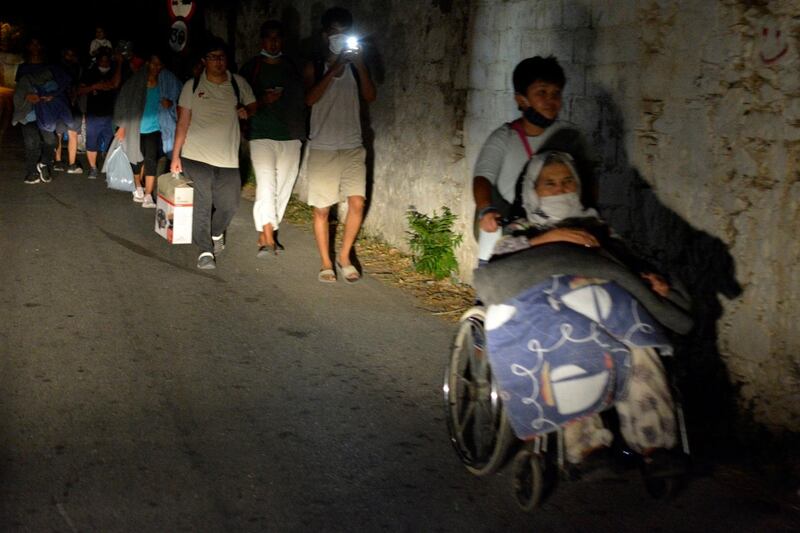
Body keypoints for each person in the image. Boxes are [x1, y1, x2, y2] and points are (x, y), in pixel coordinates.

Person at [490, 151, 678, 475]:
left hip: (606, 303)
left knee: (640, 343)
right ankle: (586, 444)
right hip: (548, 307)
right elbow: (499, 262)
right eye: (550, 183)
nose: (560, 189)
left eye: (567, 181)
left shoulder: (595, 225)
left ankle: (654, 443)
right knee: (572, 343)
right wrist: (547, 238)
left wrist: (649, 278)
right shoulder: (523, 227)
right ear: (533, 189)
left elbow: (626, 260)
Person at [473, 56, 592, 264]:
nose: (551, 100)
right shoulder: (504, 138)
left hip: (559, 230)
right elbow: (483, 178)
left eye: (556, 93)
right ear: (521, 100)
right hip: (511, 234)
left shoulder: (570, 138)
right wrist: (486, 209)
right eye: (542, 93)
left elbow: (588, 179)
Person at [303, 6, 376, 283]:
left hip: (352, 145)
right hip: (323, 146)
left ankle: (344, 256)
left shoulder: (357, 68)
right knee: (322, 209)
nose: (339, 39)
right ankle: (325, 262)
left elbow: (370, 96)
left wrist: (358, 64)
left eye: (344, 34)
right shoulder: (316, 66)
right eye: (334, 34)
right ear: (325, 36)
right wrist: (334, 67)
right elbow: (310, 99)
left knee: (357, 202)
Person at [170, 37, 257, 269]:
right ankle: (205, 250)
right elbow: (182, 123)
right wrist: (176, 155)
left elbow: (253, 105)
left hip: (228, 158)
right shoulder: (193, 85)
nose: (218, 62)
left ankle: (216, 232)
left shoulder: (238, 83)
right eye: (213, 57)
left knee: (229, 204)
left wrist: (245, 111)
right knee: (203, 201)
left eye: (222, 57)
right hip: (195, 155)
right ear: (204, 61)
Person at [240, 20, 306, 257]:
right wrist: (262, 100)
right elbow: (240, 100)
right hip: (261, 134)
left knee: (284, 187)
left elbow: (305, 95)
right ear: (262, 41)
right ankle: (267, 235)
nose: (274, 42)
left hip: (291, 135)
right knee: (266, 184)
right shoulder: (251, 68)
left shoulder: (293, 66)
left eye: (278, 38)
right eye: (269, 38)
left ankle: (266, 231)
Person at [113, 49, 182, 207]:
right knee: (136, 159)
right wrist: (122, 126)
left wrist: (171, 104)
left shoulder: (166, 81)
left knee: (151, 159)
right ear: (148, 63)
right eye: (153, 63)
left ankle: (148, 195)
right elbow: (124, 101)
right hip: (135, 127)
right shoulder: (137, 81)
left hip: (154, 128)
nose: (156, 67)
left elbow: (180, 99)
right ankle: (138, 186)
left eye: (159, 64)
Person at [13, 36, 75, 184]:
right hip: (28, 112)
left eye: (37, 44)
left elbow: (60, 86)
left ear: (41, 47)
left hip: (46, 111)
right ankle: (32, 172)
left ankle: (44, 164)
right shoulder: (23, 67)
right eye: (32, 44)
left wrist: (51, 96)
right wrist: (27, 95)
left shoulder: (50, 66)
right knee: (31, 142)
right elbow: (19, 89)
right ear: (28, 47)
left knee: (51, 141)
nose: (35, 47)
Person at [78, 47, 121, 178]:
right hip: (93, 114)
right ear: (97, 61)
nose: (104, 63)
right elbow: (79, 90)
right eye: (101, 61)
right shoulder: (90, 72)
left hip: (110, 114)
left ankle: (110, 167)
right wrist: (94, 87)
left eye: (106, 61)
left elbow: (115, 84)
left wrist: (119, 64)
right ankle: (93, 167)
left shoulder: (114, 71)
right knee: (91, 141)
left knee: (111, 141)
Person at [53, 45, 83, 174]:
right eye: (68, 54)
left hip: (62, 104)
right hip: (68, 104)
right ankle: (70, 164)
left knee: (59, 134)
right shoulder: (75, 69)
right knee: (71, 134)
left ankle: (58, 162)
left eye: (72, 55)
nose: (70, 57)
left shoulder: (56, 68)